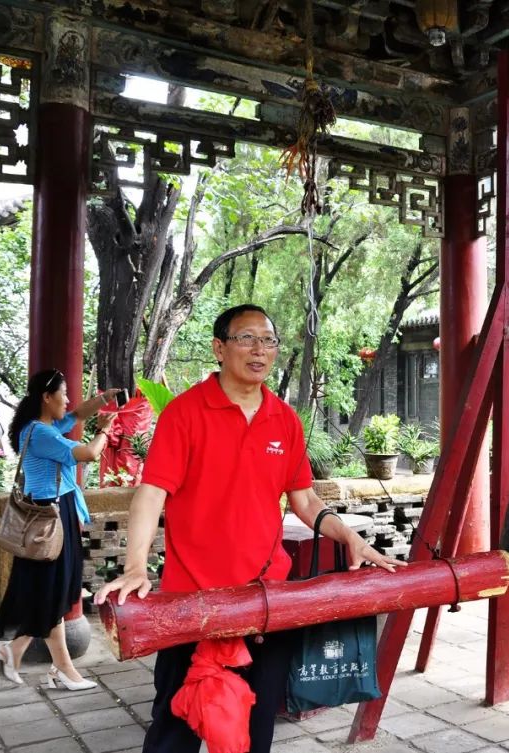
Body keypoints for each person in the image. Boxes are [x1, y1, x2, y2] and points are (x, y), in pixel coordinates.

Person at [96, 304, 406, 753]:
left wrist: (348, 535)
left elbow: (304, 499)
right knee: (175, 726)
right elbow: (152, 492)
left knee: (255, 726)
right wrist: (135, 565)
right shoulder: (184, 414)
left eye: (269, 340)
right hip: (192, 599)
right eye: (246, 338)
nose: (260, 349)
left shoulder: (285, 419)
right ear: (219, 348)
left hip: (266, 598)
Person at [0, 370, 123, 690]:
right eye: (63, 393)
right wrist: (104, 431)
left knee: (49, 592)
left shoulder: (40, 427)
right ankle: (62, 669)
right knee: (53, 593)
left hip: (54, 514)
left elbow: (75, 415)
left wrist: (104, 400)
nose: (69, 399)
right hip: (49, 521)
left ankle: (13, 651)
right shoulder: (42, 433)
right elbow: (88, 453)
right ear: (47, 398)